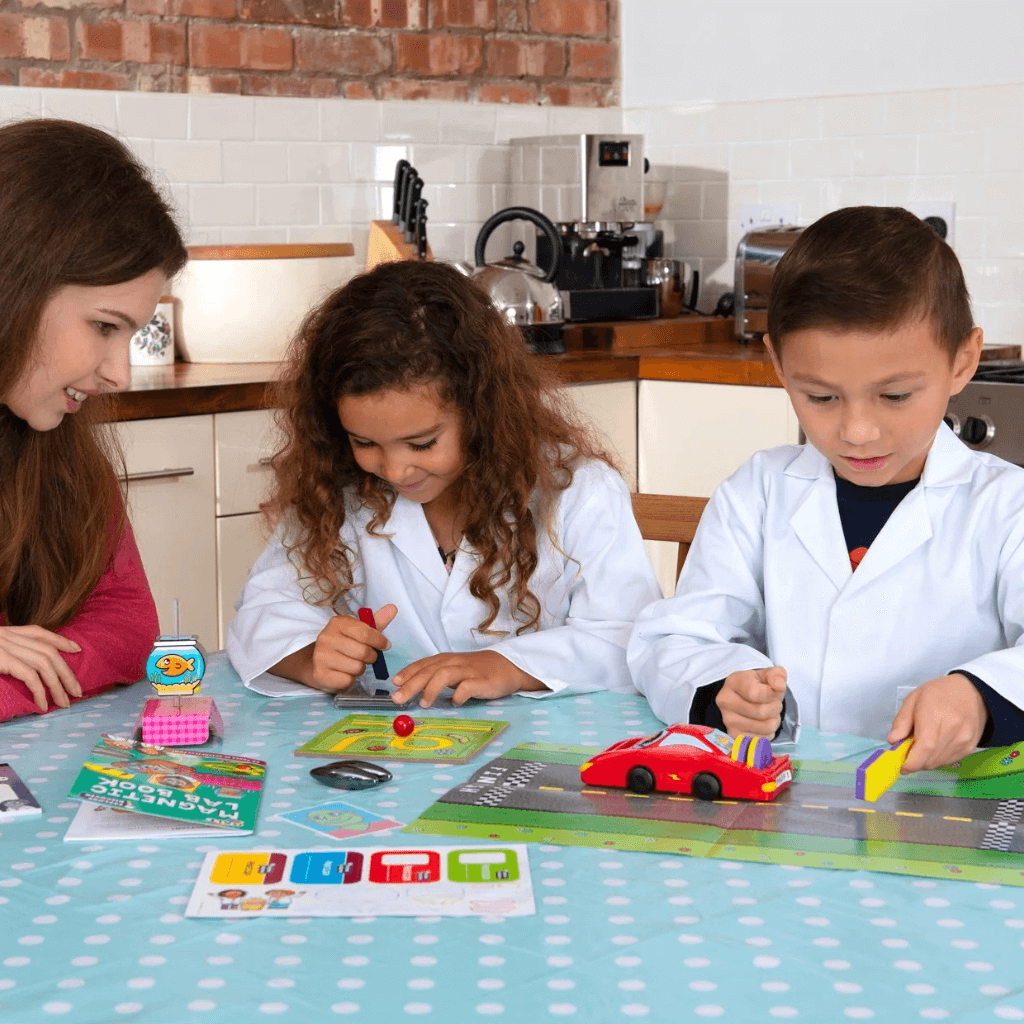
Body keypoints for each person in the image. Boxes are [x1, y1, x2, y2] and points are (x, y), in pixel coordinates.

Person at [628, 205, 1024, 773]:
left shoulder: (1007, 508)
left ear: (963, 361)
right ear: (779, 365)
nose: (857, 431)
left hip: (945, 817)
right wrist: (722, 686)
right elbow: (676, 638)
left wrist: (978, 696)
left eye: (894, 396)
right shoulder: (758, 492)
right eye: (821, 397)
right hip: (779, 806)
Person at [227, 259, 660, 707]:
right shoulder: (339, 492)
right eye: (365, 442)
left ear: (482, 412)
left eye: (422, 443)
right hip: (392, 757)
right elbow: (263, 610)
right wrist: (309, 657)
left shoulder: (577, 492)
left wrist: (509, 665)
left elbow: (630, 637)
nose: (395, 471)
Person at [0, 119, 188, 723]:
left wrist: (28, 677)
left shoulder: (56, 446)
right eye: (104, 327)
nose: (120, 375)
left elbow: (130, 626)